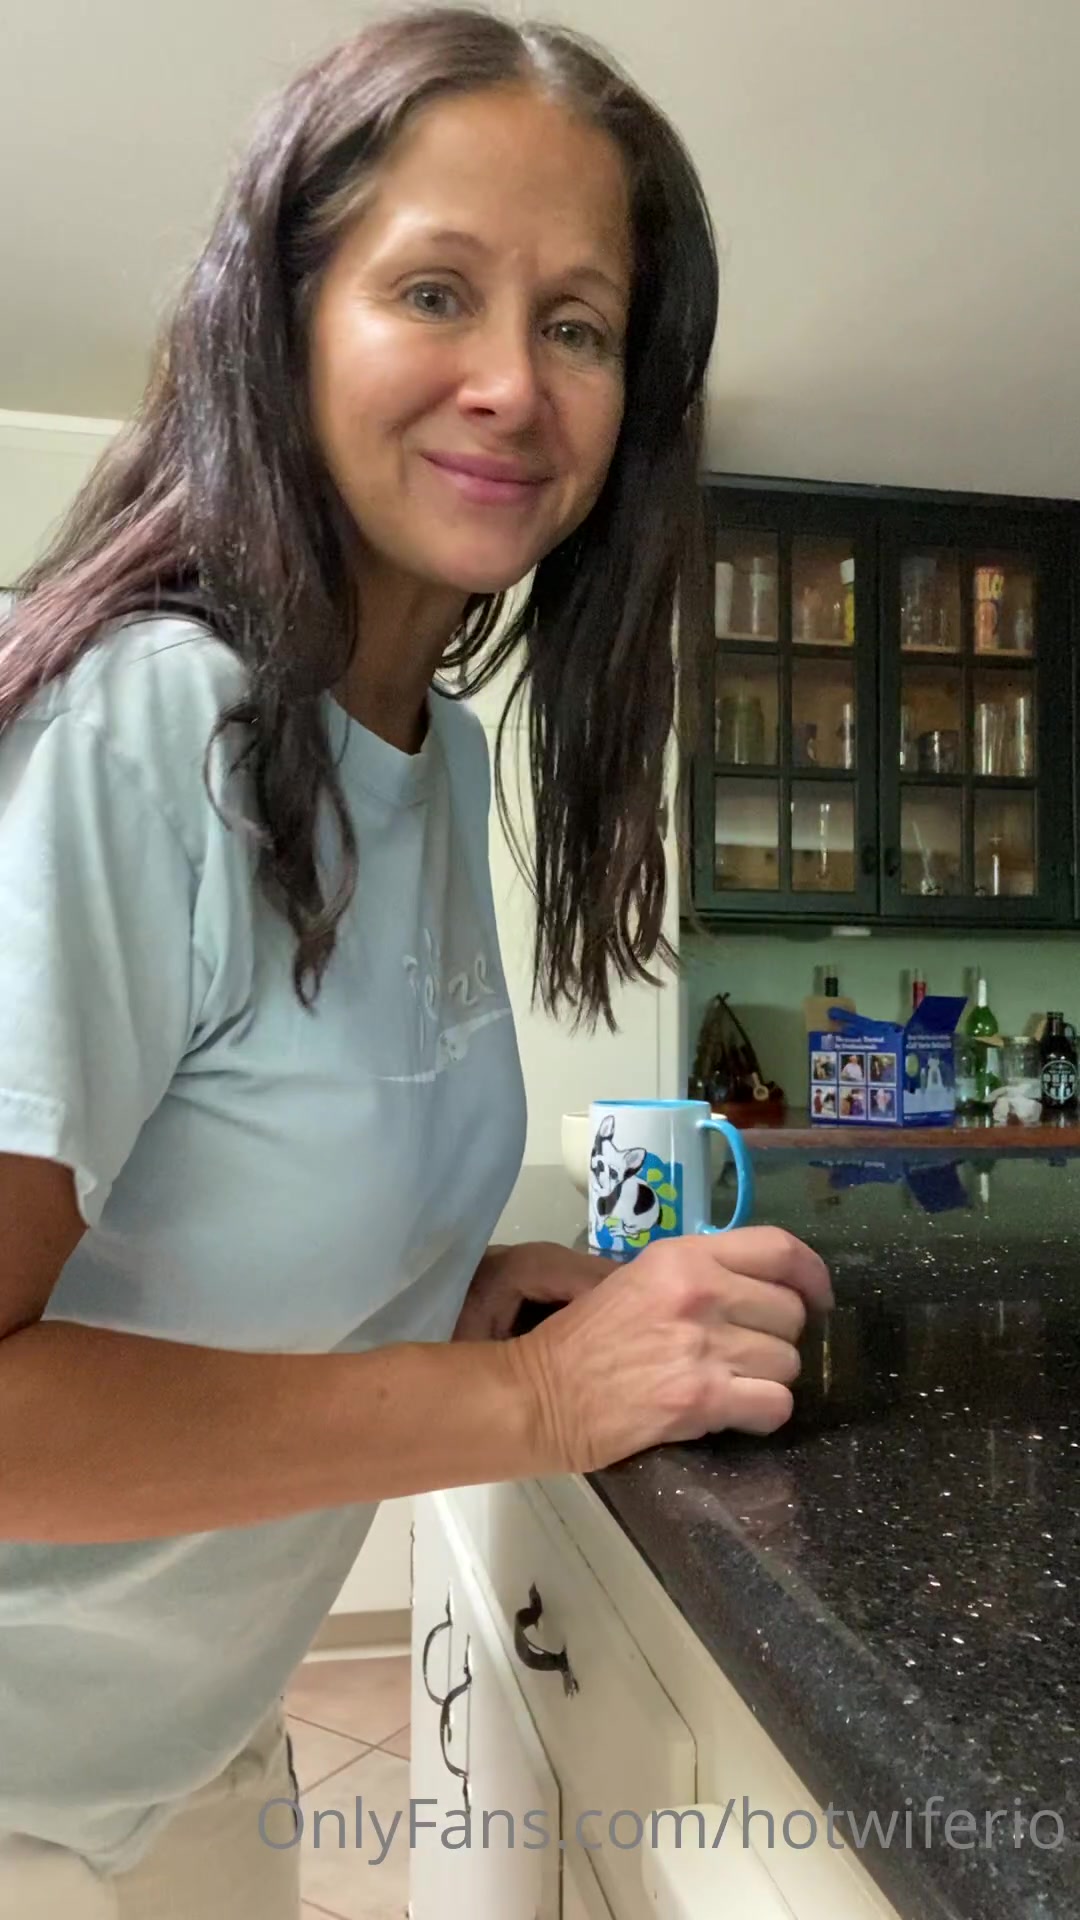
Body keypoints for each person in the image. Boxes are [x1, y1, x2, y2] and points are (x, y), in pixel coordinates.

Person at [0, 8, 832, 1916]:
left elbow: (220, 1185)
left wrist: (437, 1291)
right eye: (435, 290)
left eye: (579, 325)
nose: (513, 385)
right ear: (283, 320)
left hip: (182, 1760)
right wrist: (535, 1405)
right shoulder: (146, 726)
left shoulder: (427, 754)